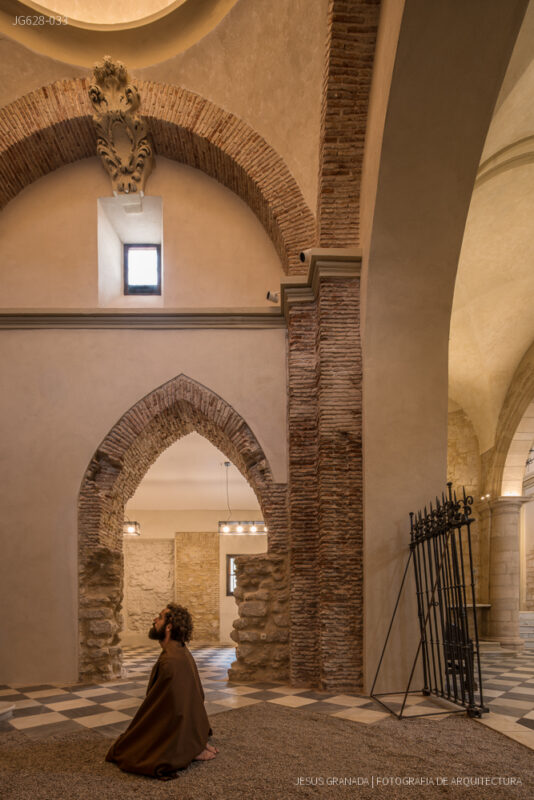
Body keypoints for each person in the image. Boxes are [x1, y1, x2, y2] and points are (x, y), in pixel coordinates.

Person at [105, 603, 218, 779]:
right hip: (189, 724)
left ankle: (188, 746)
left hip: (180, 724)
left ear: (168, 627)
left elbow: (165, 710)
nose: (154, 620)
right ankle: (193, 742)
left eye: (159, 617)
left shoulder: (171, 661)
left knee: (126, 749)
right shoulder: (179, 651)